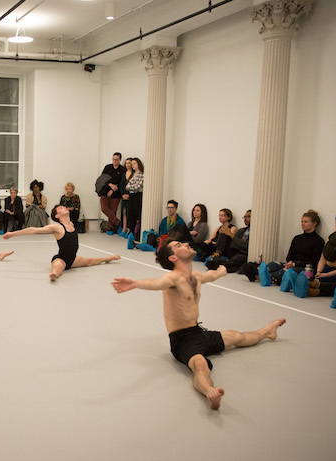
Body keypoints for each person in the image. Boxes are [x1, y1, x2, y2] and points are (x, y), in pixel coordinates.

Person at [112, 239, 285, 410]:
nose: (186, 244)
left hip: (199, 332)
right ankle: (210, 391)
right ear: (173, 258)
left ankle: (267, 331)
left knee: (236, 336)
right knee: (200, 366)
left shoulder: (195, 276)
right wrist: (135, 283)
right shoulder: (172, 278)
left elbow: (209, 276)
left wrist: (222, 270)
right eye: (178, 246)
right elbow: (157, 283)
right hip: (182, 341)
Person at [4, 205, 120, 281]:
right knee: (58, 267)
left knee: (89, 261)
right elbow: (33, 229)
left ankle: (108, 258)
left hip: (72, 259)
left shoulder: (72, 224)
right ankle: (54, 274)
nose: (64, 207)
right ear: (57, 216)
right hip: (62, 258)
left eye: (63, 207)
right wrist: (12, 234)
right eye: (61, 208)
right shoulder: (57, 227)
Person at [243, 210, 324, 283]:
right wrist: (289, 262)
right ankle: (258, 271)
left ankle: (261, 276)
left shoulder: (318, 241)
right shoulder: (297, 238)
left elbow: (314, 262)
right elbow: (289, 255)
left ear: (315, 223)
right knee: (274, 264)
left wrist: (295, 264)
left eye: (306, 222)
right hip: (292, 263)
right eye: (302, 221)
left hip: (304, 267)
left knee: (286, 271)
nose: (302, 224)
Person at [99, 153, 125, 231]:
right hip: (105, 192)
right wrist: (110, 185)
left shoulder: (122, 169)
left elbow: (121, 182)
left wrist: (114, 189)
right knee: (104, 208)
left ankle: (110, 228)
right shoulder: (108, 167)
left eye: (116, 159)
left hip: (116, 194)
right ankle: (117, 222)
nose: (114, 161)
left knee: (113, 211)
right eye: (113, 159)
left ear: (120, 160)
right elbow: (102, 179)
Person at [125, 158, 144, 237]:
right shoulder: (132, 175)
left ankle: (137, 232)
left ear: (138, 164)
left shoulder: (142, 174)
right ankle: (131, 231)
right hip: (131, 196)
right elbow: (127, 187)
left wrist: (131, 187)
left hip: (137, 196)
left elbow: (139, 187)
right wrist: (133, 186)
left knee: (137, 214)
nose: (133, 165)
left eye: (134, 163)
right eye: (132, 164)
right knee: (130, 214)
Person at [119, 157, 133, 235]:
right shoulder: (123, 174)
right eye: (126, 163)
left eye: (129, 163)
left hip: (130, 196)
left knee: (129, 213)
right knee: (123, 212)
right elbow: (121, 185)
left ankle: (129, 229)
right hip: (124, 195)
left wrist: (129, 195)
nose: (127, 165)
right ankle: (124, 228)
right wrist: (122, 195)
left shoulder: (134, 174)